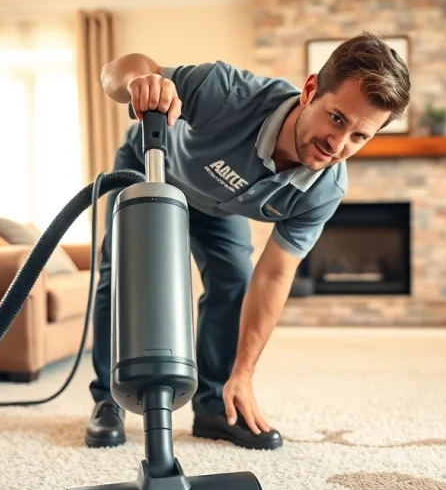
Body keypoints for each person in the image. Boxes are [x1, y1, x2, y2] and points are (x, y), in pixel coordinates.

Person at [85, 32, 411, 451]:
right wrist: (138, 81)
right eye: (336, 119)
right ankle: (106, 400)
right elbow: (115, 70)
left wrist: (245, 372)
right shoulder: (226, 92)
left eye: (359, 137)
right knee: (123, 274)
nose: (338, 145)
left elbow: (275, 274)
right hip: (153, 164)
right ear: (310, 90)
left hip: (219, 207)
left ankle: (215, 405)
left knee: (234, 281)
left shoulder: (324, 190)